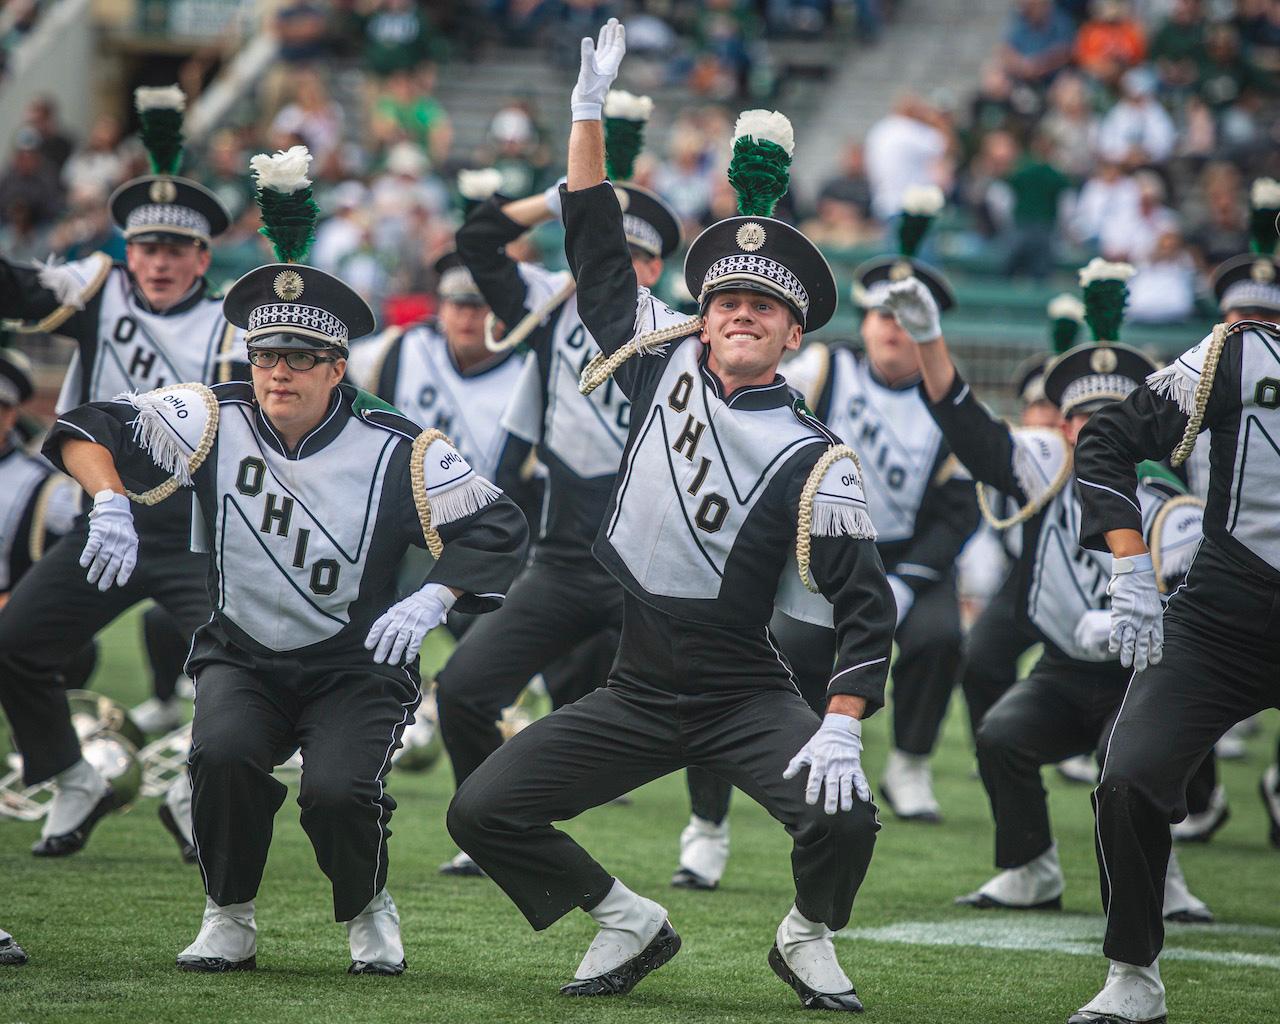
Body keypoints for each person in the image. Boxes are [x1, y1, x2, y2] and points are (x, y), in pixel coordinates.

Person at [448, 22, 894, 1010]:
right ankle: (624, 919)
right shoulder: (656, 362)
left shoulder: (817, 456)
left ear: (791, 333)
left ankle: (806, 934)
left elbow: (868, 611)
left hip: (742, 691)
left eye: (763, 308)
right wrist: (586, 114)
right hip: (636, 686)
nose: (740, 313)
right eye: (727, 298)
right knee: (481, 810)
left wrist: (841, 725)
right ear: (703, 310)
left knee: (846, 817)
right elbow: (594, 241)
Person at [44, 147, 529, 974]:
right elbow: (90, 426)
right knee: (222, 758)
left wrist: (435, 597)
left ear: (337, 368)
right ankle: (227, 914)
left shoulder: (400, 446)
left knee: (336, 792)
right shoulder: (208, 414)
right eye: (266, 355)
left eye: (300, 358)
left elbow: (497, 525)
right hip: (241, 652)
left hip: (355, 665)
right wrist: (110, 500)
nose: (278, 372)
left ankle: (368, 906)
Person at [890, 258, 1211, 922]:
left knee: (1130, 767)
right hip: (1064, 669)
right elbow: (972, 431)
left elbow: (1196, 612)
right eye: (1083, 418)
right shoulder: (1045, 469)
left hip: (1144, 677)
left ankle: (1166, 878)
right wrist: (929, 341)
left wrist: (1134, 622)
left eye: (1113, 418)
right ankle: (1030, 867)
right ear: (1063, 427)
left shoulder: (1172, 505)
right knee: (1001, 735)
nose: (1095, 431)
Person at [434, 91, 684, 877]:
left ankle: (707, 836)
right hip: (564, 562)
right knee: (463, 689)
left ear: (654, 270)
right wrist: (558, 200)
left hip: (650, 570)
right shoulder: (547, 307)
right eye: (599, 248)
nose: (612, 268)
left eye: (631, 257)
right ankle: (489, 825)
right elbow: (476, 240)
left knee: (710, 700)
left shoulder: (680, 336)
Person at [0, 85, 244, 858]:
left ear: (202, 257)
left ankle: (194, 790)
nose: (160, 262)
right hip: (104, 519)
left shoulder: (238, 324)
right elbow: (17, 290)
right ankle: (71, 776)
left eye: (176, 250)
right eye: (147, 248)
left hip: (199, 535)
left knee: (240, 673)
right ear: (127, 252)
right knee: (14, 644)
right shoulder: (97, 292)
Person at [1067, 250, 1280, 1024]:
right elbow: (1105, 440)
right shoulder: (1236, 352)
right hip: (1222, 616)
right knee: (1129, 777)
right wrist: (1130, 564)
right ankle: (1133, 973)